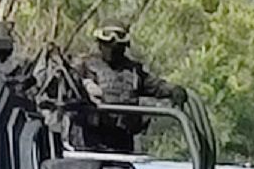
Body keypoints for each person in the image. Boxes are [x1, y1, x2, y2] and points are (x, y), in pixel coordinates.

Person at [74, 19, 187, 152]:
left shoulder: (133, 71)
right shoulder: (84, 67)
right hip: (90, 144)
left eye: (117, 45)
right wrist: (85, 85)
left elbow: (155, 86)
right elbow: (67, 86)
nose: (112, 49)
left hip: (122, 142)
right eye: (108, 44)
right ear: (100, 44)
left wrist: (173, 90)